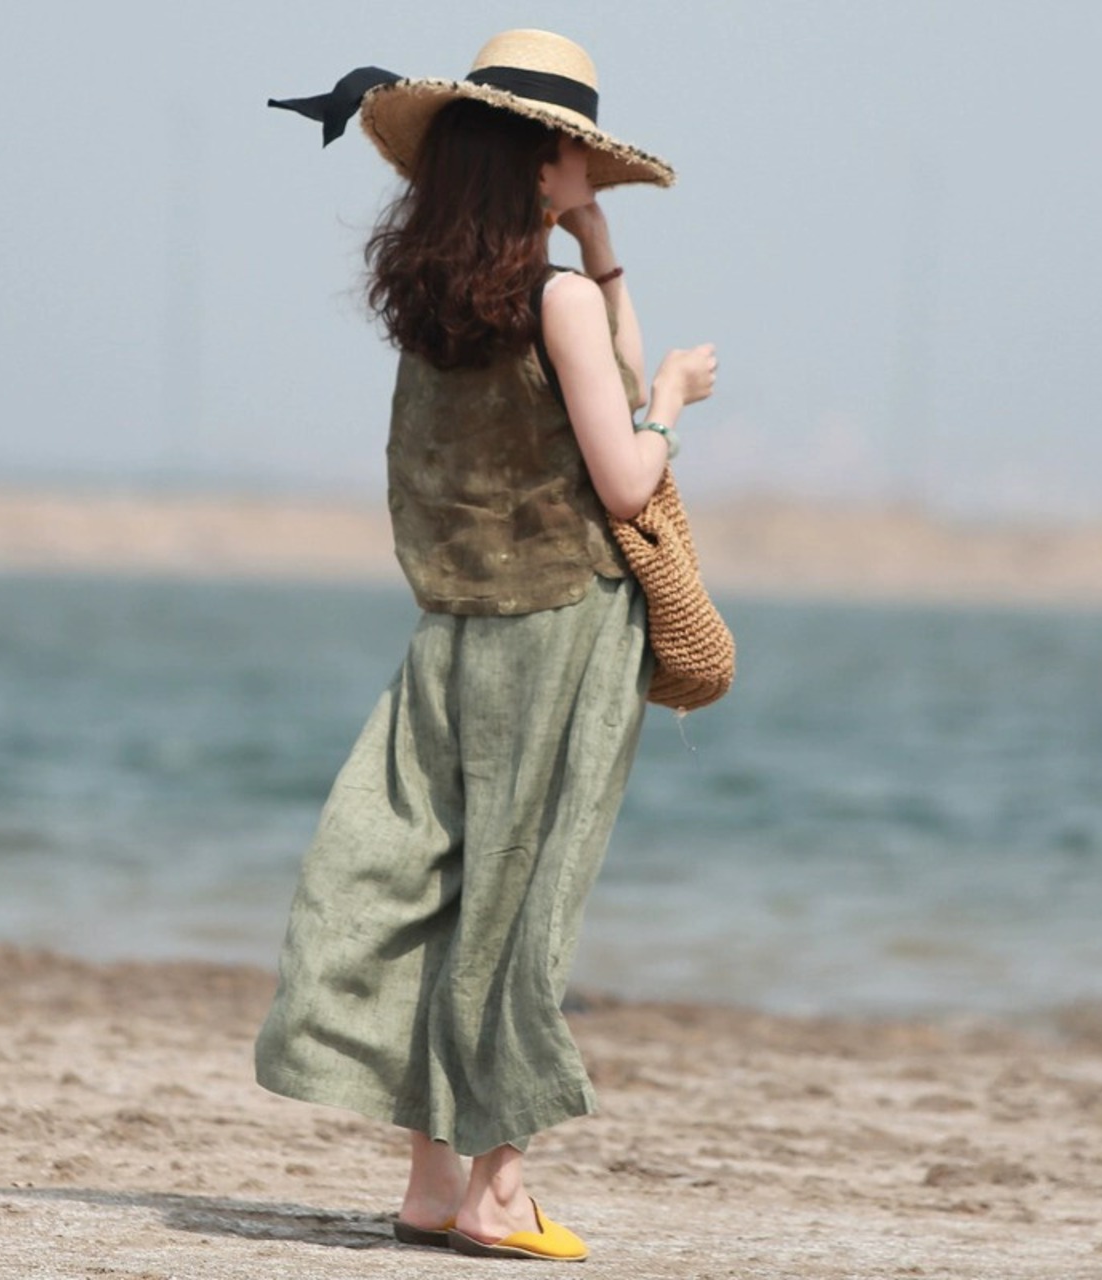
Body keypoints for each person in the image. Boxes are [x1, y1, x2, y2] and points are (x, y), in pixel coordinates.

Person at [256, 29, 716, 1262]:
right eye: (571, 154)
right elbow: (624, 475)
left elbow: (593, 369)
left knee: (426, 890)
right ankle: (496, 1194)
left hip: (449, 631)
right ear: (535, 160)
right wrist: (670, 403)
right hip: (561, 631)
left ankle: (429, 1182)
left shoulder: (437, 305)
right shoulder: (551, 301)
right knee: (523, 901)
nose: (582, 169)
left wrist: (597, 243)